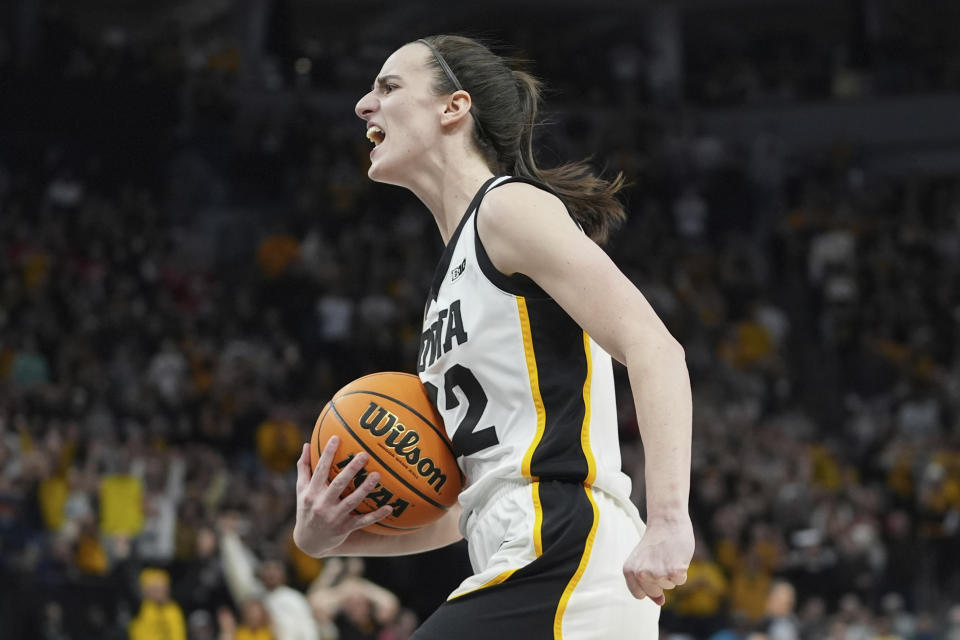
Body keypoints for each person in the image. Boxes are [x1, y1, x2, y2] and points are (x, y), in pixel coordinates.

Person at [294, 34, 694, 639]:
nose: (362, 105)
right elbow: (465, 505)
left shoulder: (508, 210)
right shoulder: (449, 280)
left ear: (453, 107)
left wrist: (668, 519)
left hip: (563, 548)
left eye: (388, 87)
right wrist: (331, 538)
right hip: (524, 549)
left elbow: (654, 347)